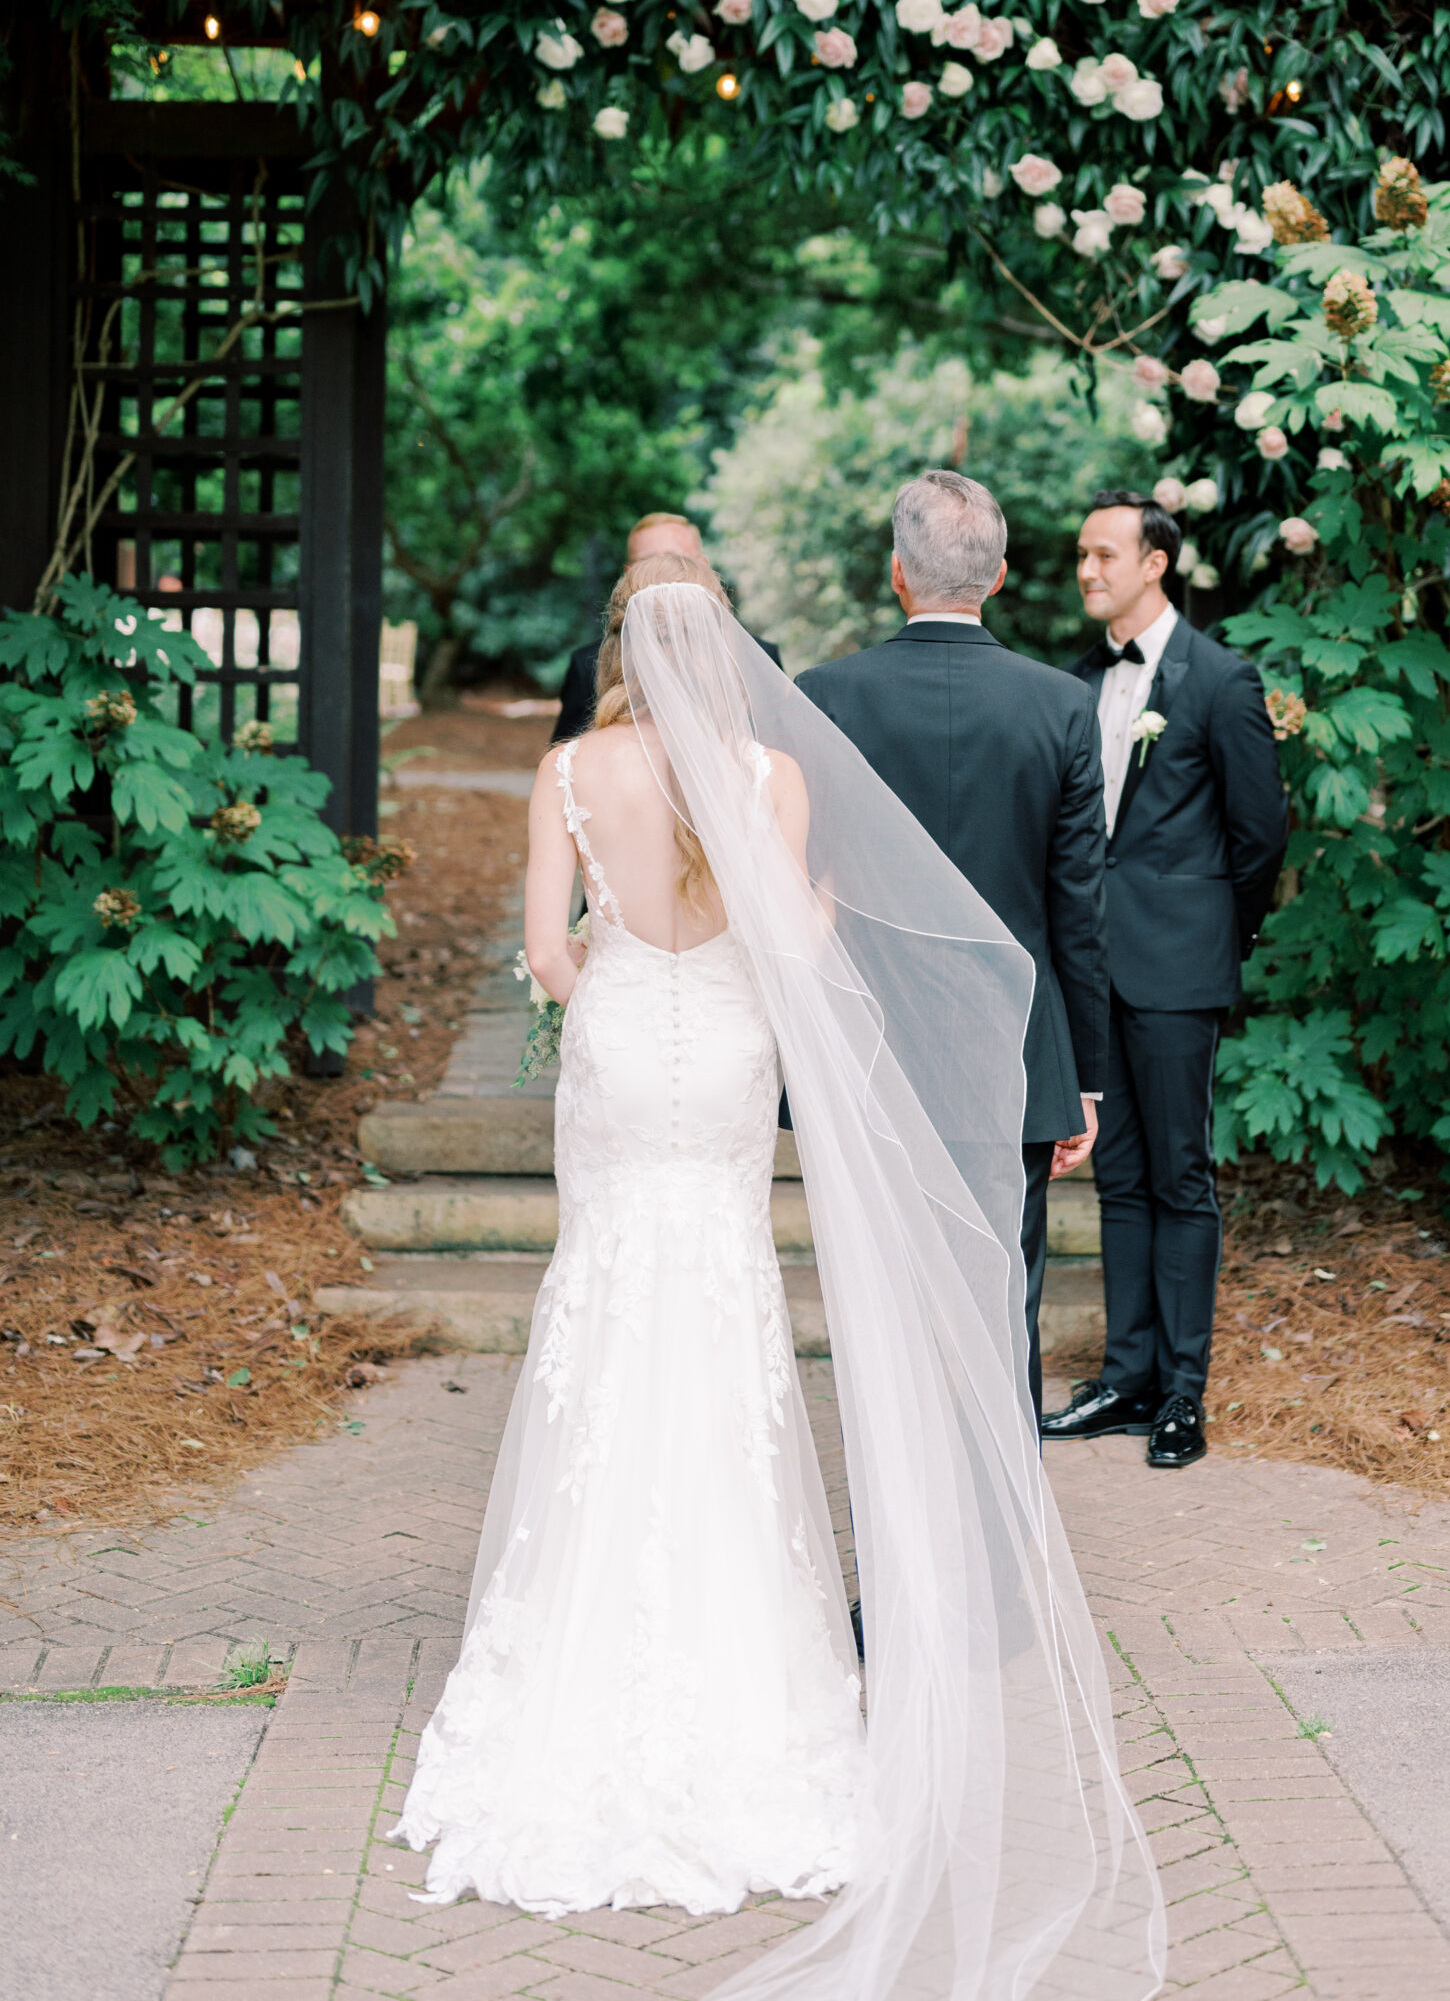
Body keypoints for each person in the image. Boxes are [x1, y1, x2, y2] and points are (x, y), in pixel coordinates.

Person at [394, 555, 1165, 1996]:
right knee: (724, 1295)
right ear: (730, 656)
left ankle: (584, 1626)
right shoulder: (768, 775)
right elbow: (799, 944)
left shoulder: (569, 768)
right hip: (731, 1054)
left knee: (607, 1291)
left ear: (623, 647)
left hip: (622, 1047)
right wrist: (759, 944)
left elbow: (544, 957)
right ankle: (740, 1650)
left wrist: (630, 983)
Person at [795, 470, 1109, 1428]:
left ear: (897, 573)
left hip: (871, 1051)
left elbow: (799, 889)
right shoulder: (1058, 706)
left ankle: (902, 1572)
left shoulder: (824, 699)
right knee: (1000, 1296)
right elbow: (1077, 914)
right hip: (1007, 1055)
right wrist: (1083, 1079)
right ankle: (1007, 1567)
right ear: (1000, 577)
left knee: (885, 1307)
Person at [1040, 490, 1288, 1470]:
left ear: (1155, 562)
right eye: (1078, 557)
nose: (1086, 571)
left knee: (1181, 1179)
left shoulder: (1219, 680)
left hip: (1178, 969)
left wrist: (1212, 937)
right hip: (1090, 971)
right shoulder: (1074, 684)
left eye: (1103, 555)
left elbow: (1259, 834)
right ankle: (1123, 1376)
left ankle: (1181, 1395)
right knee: (1118, 1178)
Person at [550, 513, 779, 739]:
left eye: (675, 559)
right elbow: (571, 760)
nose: (662, 572)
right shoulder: (588, 664)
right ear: (628, 573)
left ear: (704, 566)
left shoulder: (762, 657)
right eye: (648, 561)